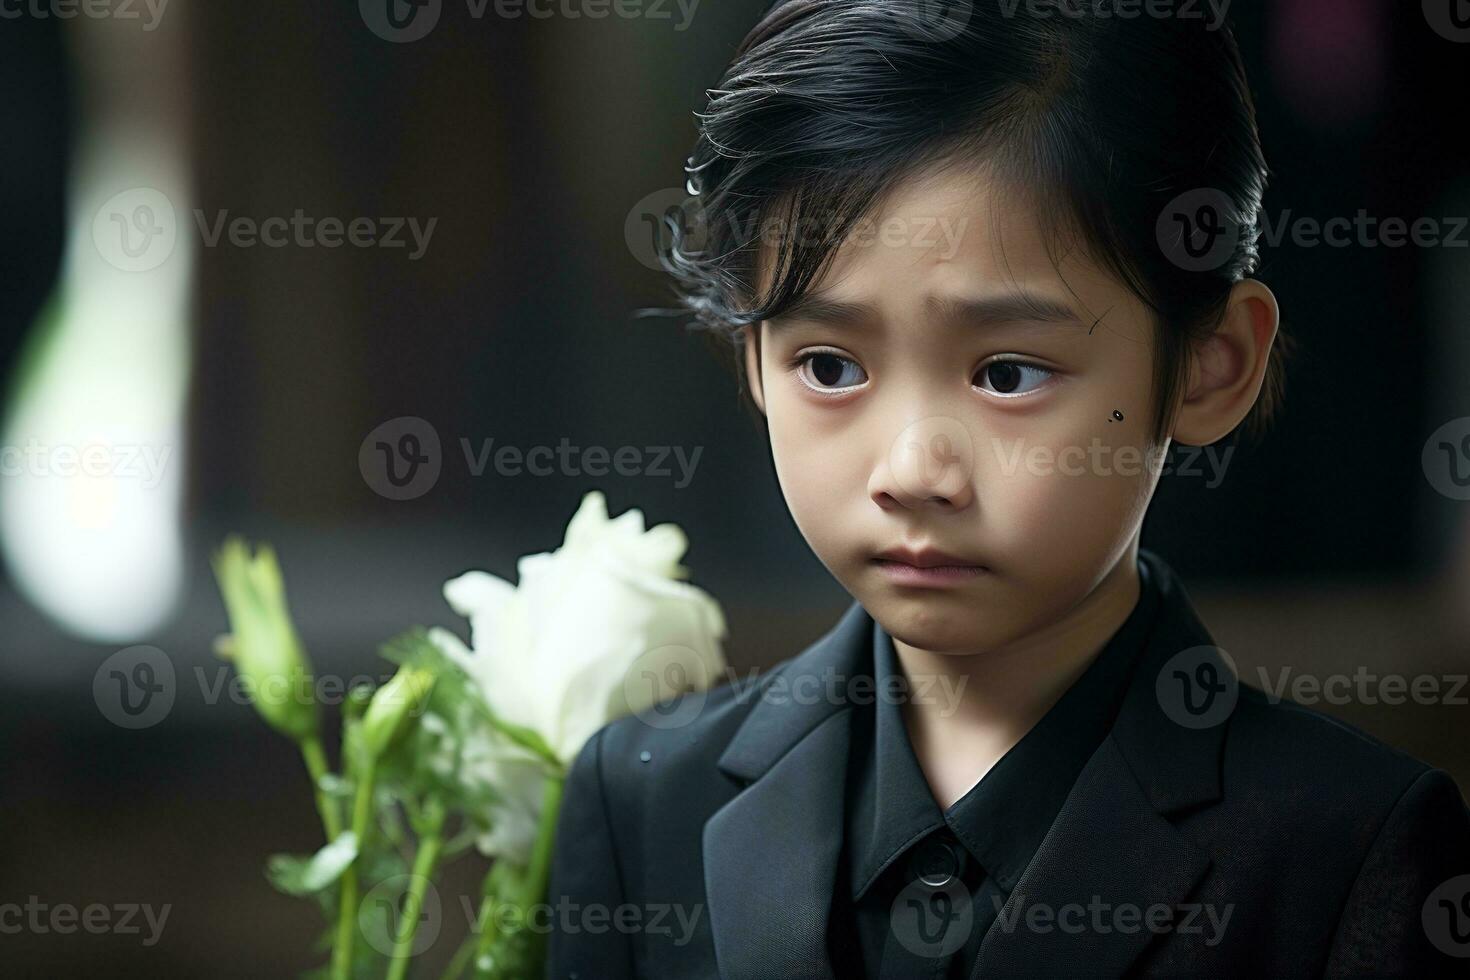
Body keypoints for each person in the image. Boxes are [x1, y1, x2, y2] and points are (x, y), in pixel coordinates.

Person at [547, 2, 1470, 976]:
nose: (912, 472)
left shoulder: (1349, 850)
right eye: (828, 365)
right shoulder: (642, 795)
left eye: (1008, 374)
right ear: (751, 354)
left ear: (1209, 363)